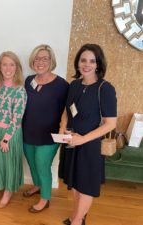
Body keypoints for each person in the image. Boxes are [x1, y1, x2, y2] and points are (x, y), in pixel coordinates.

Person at [59, 44, 117, 225]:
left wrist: (82, 139)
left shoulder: (105, 88)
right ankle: (78, 216)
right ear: (78, 63)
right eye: (83, 60)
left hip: (89, 146)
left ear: (98, 64)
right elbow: (67, 110)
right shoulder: (74, 85)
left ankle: (77, 221)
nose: (87, 64)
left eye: (92, 61)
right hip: (71, 142)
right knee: (75, 185)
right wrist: (63, 126)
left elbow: (110, 124)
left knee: (85, 188)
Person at [22, 44, 69, 213]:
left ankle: (45, 198)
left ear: (51, 61)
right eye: (37, 58)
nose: (40, 62)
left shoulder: (62, 84)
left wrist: (63, 127)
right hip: (28, 132)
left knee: (42, 164)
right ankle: (37, 185)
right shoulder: (28, 80)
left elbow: (68, 109)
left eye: (45, 58)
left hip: (50, 135)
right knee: (32, 162)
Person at [0, 51, 27, 208]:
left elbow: (17, 118)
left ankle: (8, 191)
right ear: (0, 67)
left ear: (17, 68)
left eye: (12, 64)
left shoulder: (20, 91)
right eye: (4, 64)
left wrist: (6, 138)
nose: (8, 68)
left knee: (9, 162)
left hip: (9, 133)